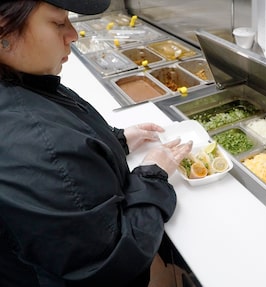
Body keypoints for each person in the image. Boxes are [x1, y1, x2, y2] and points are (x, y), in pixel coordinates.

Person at [0, 0, 193, 286]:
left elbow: (63, 137)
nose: (73, 35)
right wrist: (153, 176)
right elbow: (113, 262)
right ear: (4, 31)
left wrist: (115, 141)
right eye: (58, 23)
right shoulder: (36, 145)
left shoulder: (22, 81)